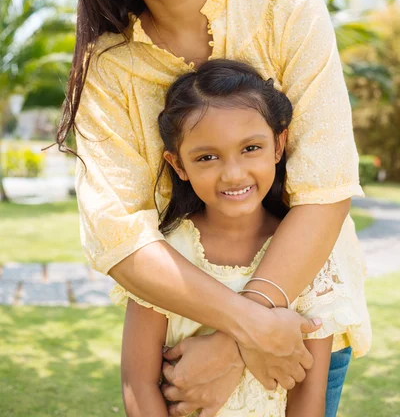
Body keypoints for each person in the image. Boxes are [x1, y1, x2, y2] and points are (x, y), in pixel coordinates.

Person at [58, 0, 371, 416]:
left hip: (302, 330)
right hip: (177, 340)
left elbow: (325, 188)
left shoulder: (288, 11)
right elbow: (117, 233)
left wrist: (237, 340)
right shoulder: (106, 68)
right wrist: (242, 326)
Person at [112, 59, 366, 417]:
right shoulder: (165, 255)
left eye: (250, 148)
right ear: (178, 165)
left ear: (279, 144)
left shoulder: (312, 257)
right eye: (207, 157)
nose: (233, 174)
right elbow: (137, 383)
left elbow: (310, 397)